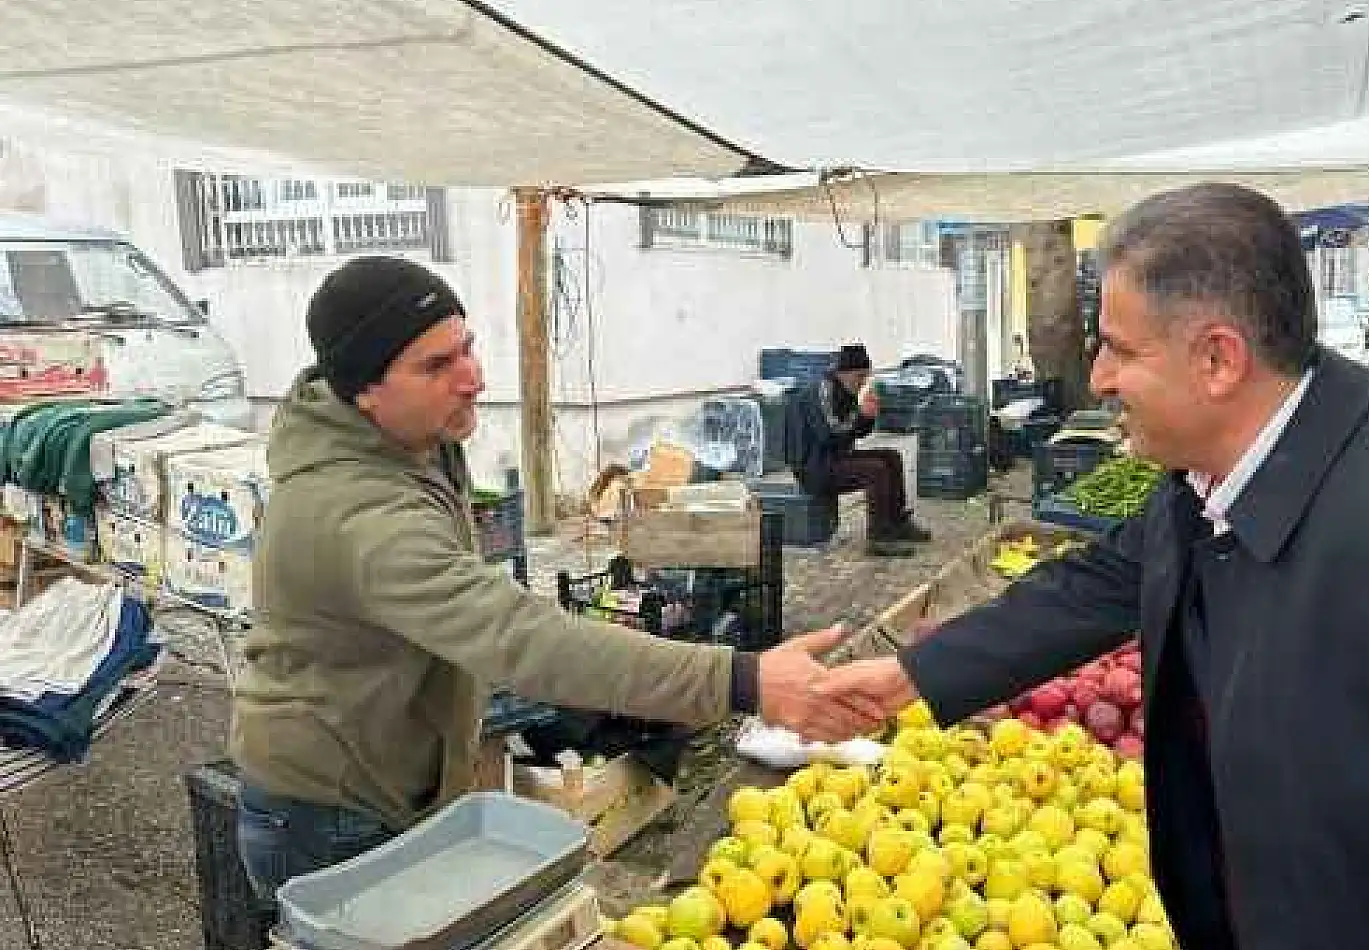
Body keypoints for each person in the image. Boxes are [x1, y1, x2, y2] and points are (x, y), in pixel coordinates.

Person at [819, 184, 1369, 949]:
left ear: (1220, 358)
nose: (1099, 377)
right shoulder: (1210, 481)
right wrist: (909, 677)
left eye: (1119, 347)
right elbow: (1103, 580)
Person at [232, 257, 883, 902]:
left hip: (393, 767)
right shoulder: (356, 514)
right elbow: (520, 637)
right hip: (331, 810)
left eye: (467, 349)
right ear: (364, 391)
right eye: (436, 366)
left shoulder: (410, 437)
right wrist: (746, 679)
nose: (473, 378)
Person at [786, 343, 930, 557]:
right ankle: (879, 537)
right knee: (875, 470)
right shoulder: (822, 391)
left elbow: (855, 433)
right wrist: (860, 415)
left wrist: (868, 417)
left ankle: (897, 522)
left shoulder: (846, 390)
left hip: (833, 457)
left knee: (891, 457)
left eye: (866, 376)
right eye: (860, 376)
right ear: (844, 373)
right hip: (814, 467)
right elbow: (829, 433)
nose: (862, 382)